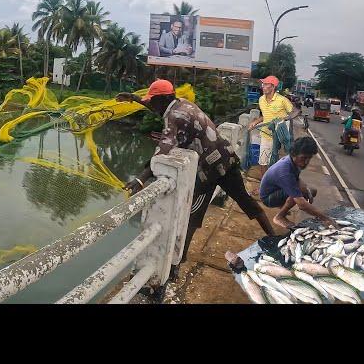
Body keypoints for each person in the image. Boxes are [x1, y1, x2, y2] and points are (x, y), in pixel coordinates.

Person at [116, 79, 276, 288]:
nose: (151, 105)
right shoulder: (181, 104)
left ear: (162, 99)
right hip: (226, 159)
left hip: (209, 172)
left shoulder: (173, 117)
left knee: (192, 217)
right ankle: (274, 238)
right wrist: (136, 100)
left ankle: (177, 264)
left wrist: (141, 178)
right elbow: (160, 108)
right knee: (246, 202)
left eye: (152, 101)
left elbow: (163, 150)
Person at [259, 137, 336, 229]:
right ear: (294, 154)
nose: (306, 162)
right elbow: (301, 204)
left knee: (311, 191)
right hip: (268, 198)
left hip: (278, 189)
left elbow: (296, 179)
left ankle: (283, 206)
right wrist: (325, 218)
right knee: (300, 194)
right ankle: (279, 217)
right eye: (303, 158)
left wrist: (307, 191)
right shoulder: (284, 171)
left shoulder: (293, 161)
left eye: (309, 158)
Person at [248, 76, 300, 179]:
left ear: (272, 87)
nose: (263, 86)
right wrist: (255, 122)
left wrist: (285, 119)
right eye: (263, 84)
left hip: (278, 136)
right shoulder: (261, 99)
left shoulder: (282, 100)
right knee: (262, 161)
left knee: (273, 161)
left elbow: (296, 111)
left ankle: (276, 182)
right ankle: (265, 183)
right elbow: (265, 116)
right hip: (265, 134)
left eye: (266, 84)